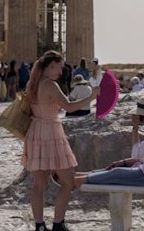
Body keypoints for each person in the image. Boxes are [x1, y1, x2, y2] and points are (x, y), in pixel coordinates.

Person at [22, 50, 98, 231]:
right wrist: (92, 97)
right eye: (59, 67)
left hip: (35, 133)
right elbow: (69, 107)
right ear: (50, 66)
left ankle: (40, 226)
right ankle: (58, 224)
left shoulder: (33, 84)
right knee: (68, 182)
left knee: (39, 185)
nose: (61, 71)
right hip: (51, 133)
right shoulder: (50, 85)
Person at [73, 96, 144, 188]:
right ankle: (79, 175)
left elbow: (136, 154)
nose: (142, 121)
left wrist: (135, 127)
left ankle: (74, 182)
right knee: (115, 169)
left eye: (141, 118)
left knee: (117, 173)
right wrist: (124, 162)